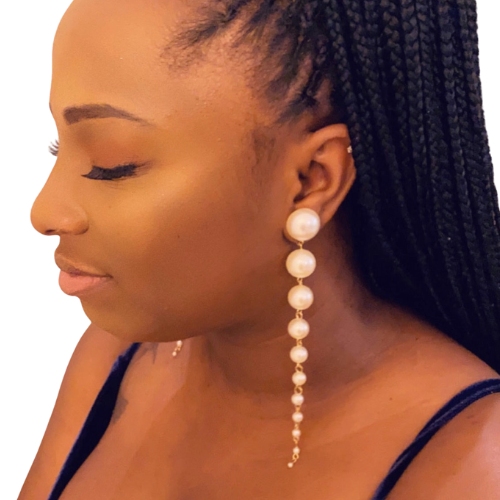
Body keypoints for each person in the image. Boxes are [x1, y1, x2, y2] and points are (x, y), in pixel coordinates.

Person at [19, 0, 500, 498]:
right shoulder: (118, 356)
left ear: (311, 180)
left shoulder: (471, 468)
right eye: (58, 146)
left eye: (111, 163)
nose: (44, 212)